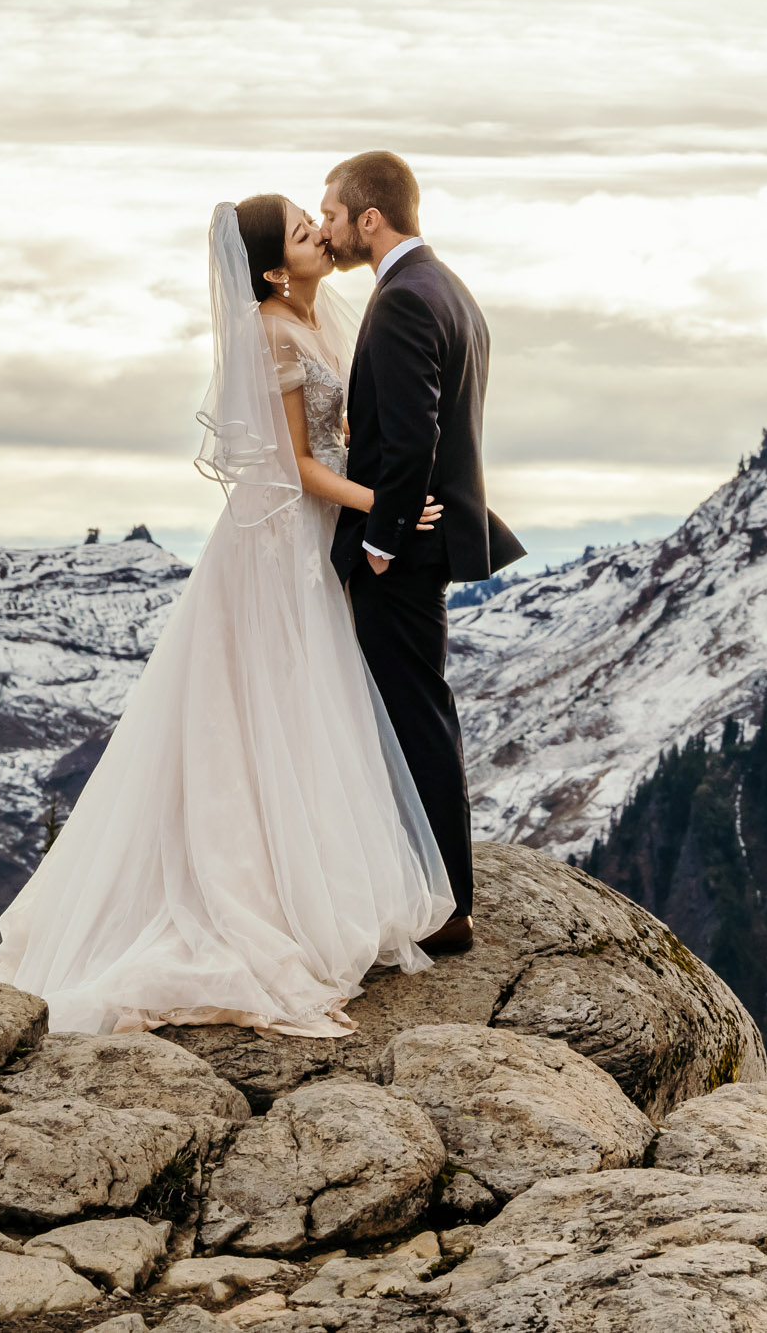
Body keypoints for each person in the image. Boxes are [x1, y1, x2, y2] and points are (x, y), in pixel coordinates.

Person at [0, 195, 457, 1036]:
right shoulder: (272, 330)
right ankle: (259, 890)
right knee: (270, 705)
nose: (321, 236)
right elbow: (297, 466)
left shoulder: (318, 321)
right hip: (278, 540)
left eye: (319, 223)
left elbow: (342, 431)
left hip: (316, 538)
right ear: (275, 268)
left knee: (309, 707)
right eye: (306, 234)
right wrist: (387, 504)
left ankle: (308, 869)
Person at [321, 151, 525, 951]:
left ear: (370, 218)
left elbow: (413, 441)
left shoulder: (404, 298)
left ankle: (445, 908)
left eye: (332, 214)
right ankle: (437, 890)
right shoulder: (447, 288)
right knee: (418, 708)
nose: (328, 228)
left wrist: (379, 541)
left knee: (413, 715)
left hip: (404, 549)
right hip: (429, 540)